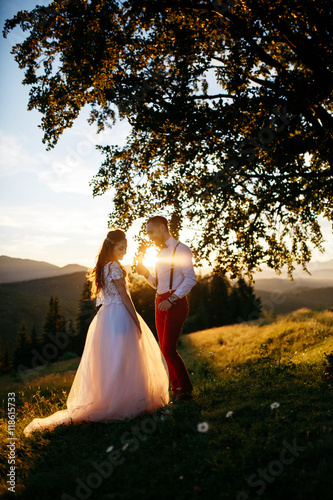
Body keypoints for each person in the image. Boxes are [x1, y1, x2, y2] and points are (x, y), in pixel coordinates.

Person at [23, 229, 169, 437]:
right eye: (121, 248)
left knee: (112, 360)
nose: (124, 252)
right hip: (119, 316)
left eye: (126, 248)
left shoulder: (102, 267)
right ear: (112, 246)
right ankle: (125, 402)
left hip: (105, 318)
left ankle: (114, 398)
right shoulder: (115, 267)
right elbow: (125, 296)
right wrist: (136, 320)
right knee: (126, 357)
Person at [136, 216, 196, 402]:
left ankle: (185, 391)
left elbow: (190, 279)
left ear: (162, 228)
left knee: (169, 349)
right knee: (164, 350)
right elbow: (158, 284)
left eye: (151, 232)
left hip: (175, 303)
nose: (150, 237)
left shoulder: (181, 249)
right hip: (159, 302)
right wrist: (146, 273)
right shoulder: (160, 254)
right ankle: (176, 390)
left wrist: (171, 299)